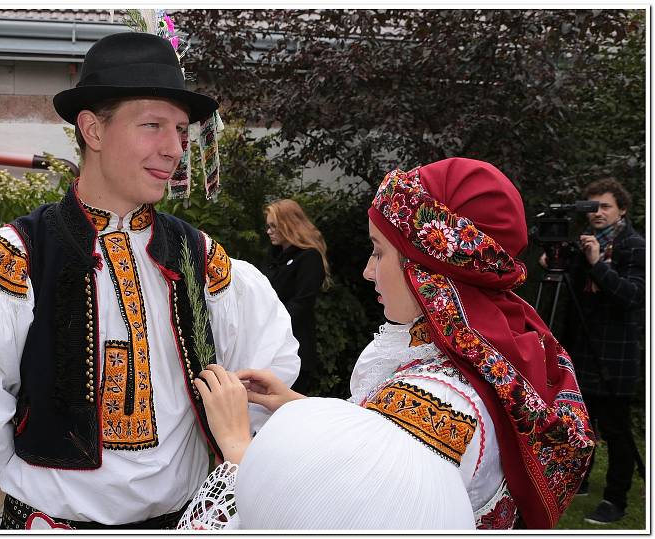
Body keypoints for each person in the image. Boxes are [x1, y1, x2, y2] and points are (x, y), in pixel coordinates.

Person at [0, 32, 299, 530]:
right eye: (152, 125)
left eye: (179, 130)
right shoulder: (17, 263)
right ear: (93, 130)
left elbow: (261, 387)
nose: (173, 149)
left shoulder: (203, 262)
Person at [178, 158, 595, 530]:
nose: (367, 271)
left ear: (426, 270)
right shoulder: (484, 352)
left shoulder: (439, 400)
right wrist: (295, 405)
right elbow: (378, 435)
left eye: (378, 253)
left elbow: (330, 514)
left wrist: (237, 448)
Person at [542, 178, 644, 524]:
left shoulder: (635, 246)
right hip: (581, 350)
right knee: (580, 421)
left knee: (616, 431)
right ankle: (579, 480)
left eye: (606, 207)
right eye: (593, 207)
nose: (598, 213)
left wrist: (597, 264)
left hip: (616, 355)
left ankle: (616, 500)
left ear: (623, 209)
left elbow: (633, 296)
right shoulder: (582, 245)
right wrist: (558, 261)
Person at [263, 199, 332, 393]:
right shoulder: (273, 256)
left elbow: (302, 302)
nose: (269, 231)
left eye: (274, 226)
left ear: (289, 224)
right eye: (268, 226)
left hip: (295, 346)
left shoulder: (309, 257)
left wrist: (270, 324)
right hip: (271, 345)